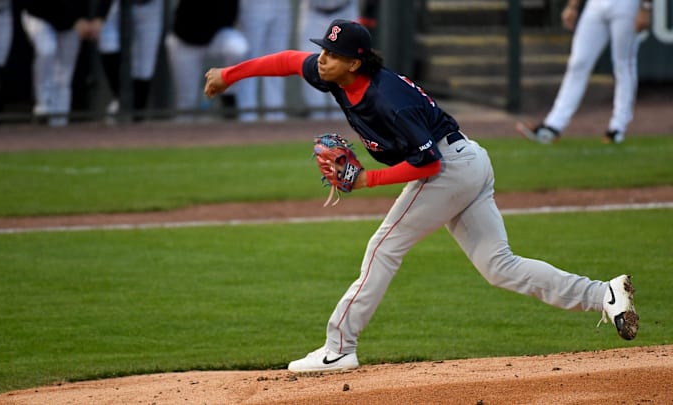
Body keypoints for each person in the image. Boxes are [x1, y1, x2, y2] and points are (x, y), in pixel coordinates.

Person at [204, 19, 639, 373]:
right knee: (499, 266)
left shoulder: (389, 99)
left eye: (332, 54)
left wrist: (365, 183)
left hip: (449, 168)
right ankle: (604, 294)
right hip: (467, 162)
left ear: (355, 63)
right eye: (323, 49)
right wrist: (228, 75)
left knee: (383, 248)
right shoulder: (334, 76)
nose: (322, 59)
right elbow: (284, 60)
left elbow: (428, 164)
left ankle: (338, 347)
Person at [517, 0, 652, 144]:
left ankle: (618, 127)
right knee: (578, 63)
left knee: (624, 64)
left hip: (627, 4)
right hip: (596, 4)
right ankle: (553, 126)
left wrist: (645, 7)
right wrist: (572, 5)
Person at [18, 0, 112, 126]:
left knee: (64, 75)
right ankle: (43, 105)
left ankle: (60, 123)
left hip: (71, 19)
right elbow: (35, 5)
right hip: (40, 15)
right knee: (47, 49)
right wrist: (73, 20)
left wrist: (99, 18)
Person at [165, 0, 248, 122]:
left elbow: (231, 16)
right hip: (186, 41)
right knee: (186, 105)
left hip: (216, 37)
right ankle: (183, 137)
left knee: (238, 49)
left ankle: (228, 95)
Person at [98, 0, 164, 122]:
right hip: (119, 4)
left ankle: (137, 118)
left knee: (144, 67)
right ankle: (120, 97)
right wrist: (99, 16)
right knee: (107, 42)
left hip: (150, 6)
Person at [297, 0, 359, 120]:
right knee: (312, 65)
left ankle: (344, 120)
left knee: (345, 68)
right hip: (314, 12)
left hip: (345, 9)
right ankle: (318, 120)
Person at [237, 0, 293, 121]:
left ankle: (276, 118)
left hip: (281, 6)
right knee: (249, 63)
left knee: (278, 63)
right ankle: (247, 118)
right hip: (253, 5)